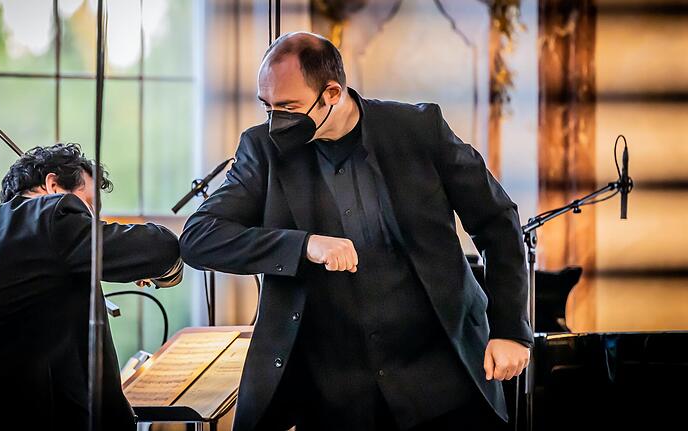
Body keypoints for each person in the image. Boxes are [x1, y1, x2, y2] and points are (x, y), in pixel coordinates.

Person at [180, 32, 531, 431]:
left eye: (289, 107)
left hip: (443, 383)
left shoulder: (418, 129)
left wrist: (510, 330)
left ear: (332, 92)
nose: (276, 122)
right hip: (333, 398)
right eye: (268, 107)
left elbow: (497, 221)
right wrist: (304, 245)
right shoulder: (261, 150)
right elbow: (198, 237)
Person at [0, 144, 183, 431]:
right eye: (90, 206)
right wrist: (152, 267)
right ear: (53, 185)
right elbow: (161, 247)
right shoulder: (50, 216)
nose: (92, 220)